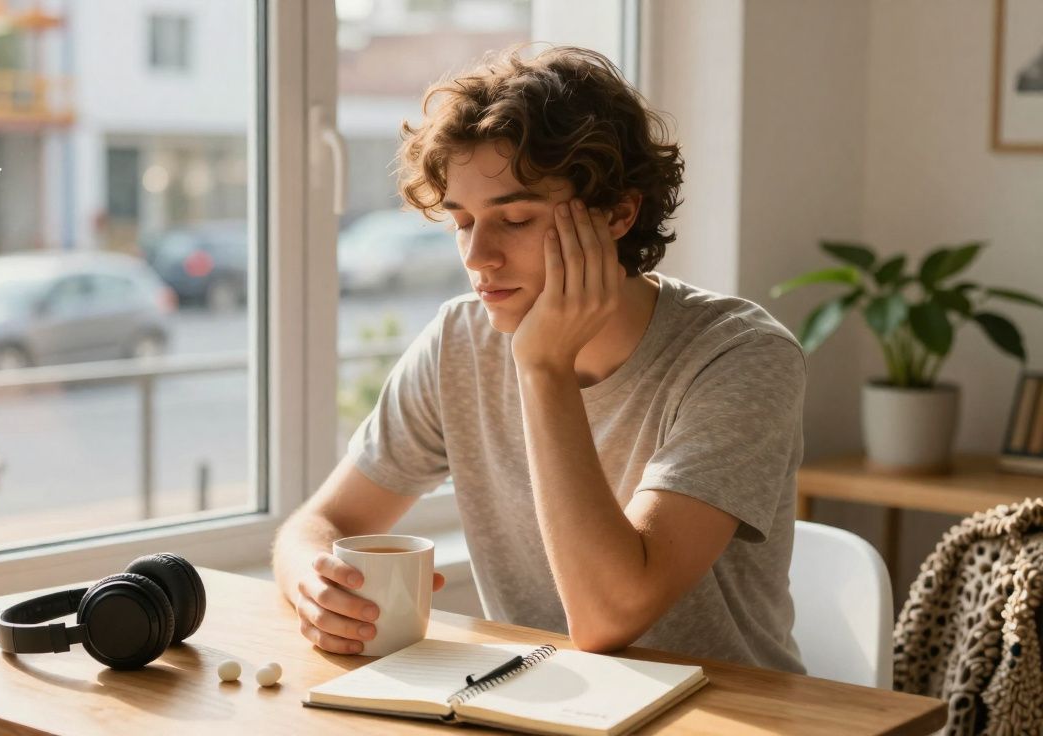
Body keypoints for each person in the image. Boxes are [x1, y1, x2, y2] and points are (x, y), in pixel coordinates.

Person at [272, 45, 806, 673]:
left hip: (722, 713)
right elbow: (323, 519)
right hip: (533, 701)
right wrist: (315, 581)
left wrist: (544, 367)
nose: (476, 256)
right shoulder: (459, 341)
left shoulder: (740, 356)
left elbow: (609, 617)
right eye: (462, 221)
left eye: (516, 218)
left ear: (618, 213)